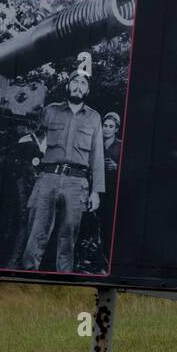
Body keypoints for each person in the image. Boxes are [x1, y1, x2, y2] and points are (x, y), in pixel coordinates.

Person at [20, 71, 105, 272]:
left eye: (83, 83)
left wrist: (96, 192)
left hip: (77, 184)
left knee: (68, 238)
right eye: (74, 81)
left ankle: (63, 281)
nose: (78, 86)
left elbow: (97, 156)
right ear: (68, 86)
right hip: (47, 178)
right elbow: (30, 132)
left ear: (88, 89)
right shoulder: (50, 111)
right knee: (36, 233)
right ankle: (26, 280)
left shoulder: (94, 117)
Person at [97, 112, 122, 257]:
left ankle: (105, 258)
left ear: (116, 129)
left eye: (111, 126)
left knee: (108, 226)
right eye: (105, 125)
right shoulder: (96, 142)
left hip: (111, 192)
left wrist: (117, 167)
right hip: (95, 189)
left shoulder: (121, 146)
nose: (107, 129)